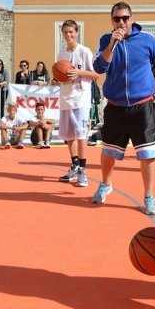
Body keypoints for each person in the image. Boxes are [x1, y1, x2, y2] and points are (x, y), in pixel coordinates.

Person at [91, 2, 155, 215]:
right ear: (112, 21)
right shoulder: (105, 40)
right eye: (117, 18)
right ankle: (105, 183)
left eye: (125, 18)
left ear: (132, 18)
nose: (121, 22)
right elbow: (99, 67)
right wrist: (112, 44)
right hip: (115, 106)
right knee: (108, 151)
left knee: (147, 154)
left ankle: (149, 196)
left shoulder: (147, 40)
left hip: (142, 106)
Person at [55, 20, 98, 187]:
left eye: (71, 32)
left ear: (77, 32)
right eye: (65, 32)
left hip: (81, 99)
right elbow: (60, 75)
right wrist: (58, 78)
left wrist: (78, 72)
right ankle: (74, 165)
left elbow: (96, 74)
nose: (68, 35)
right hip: (66, 97)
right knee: (69, 136)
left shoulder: (84, 51)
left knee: (81, 136)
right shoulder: (61, 55)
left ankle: (83, 171)